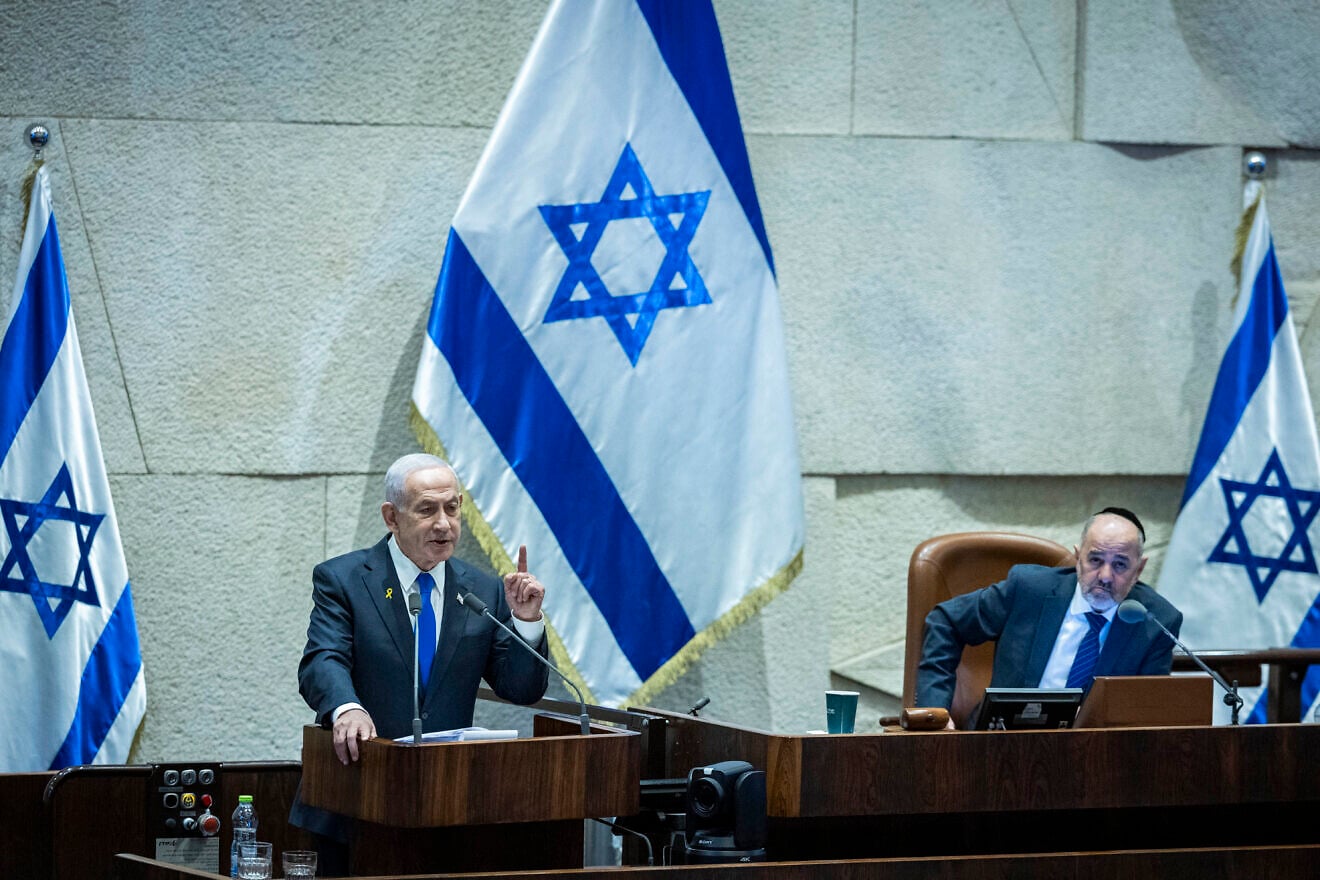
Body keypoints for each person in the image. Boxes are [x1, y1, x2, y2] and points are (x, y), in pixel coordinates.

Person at [290, 453, 550, 854]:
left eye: (452, 508)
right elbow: (322, 660)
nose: (443, 523)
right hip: (355, 799)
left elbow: (521, 688)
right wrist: (347, 709)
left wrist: (526, 622)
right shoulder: (344, 580)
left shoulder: (482, 590)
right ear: (391, 517)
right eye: (427, 510)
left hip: (447, 807)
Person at [914, 508, 1182, 726]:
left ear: (1139, 569)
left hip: (1094, 757)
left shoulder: (1156, 622)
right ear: (1078, 558)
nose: (1105, 576)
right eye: (1096, 560)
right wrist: (935, 713)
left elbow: (1147, 718)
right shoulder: (1029, 590)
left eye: (1120, 564)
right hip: (1001, 743)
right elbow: (946, 621)